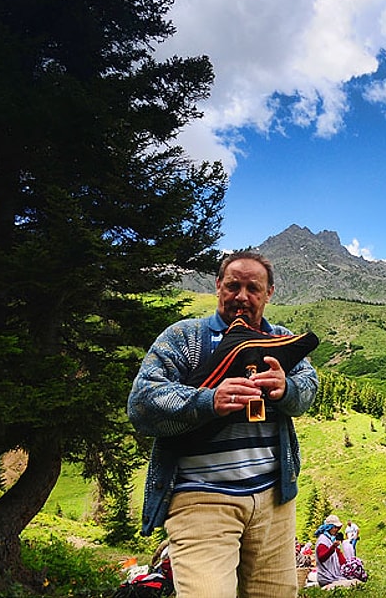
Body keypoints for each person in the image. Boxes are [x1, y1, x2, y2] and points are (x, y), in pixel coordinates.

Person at [128, 251, 319, 598]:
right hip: (201, 500)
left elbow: (308, 391)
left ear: (269, 293)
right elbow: (142, 402)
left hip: (275, 500)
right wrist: (208, 400)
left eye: (253, 288)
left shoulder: (282, 340)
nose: (242, 296)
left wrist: (285, 389)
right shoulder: (184, 337)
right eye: (233, 286)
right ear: (218, 286)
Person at [315, 515, 363, 589]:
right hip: (326, 576)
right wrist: (333, 548)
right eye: (335, 528)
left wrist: (348, 566)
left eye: (338, 528)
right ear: (329, 527)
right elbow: (321, 558)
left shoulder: (330, 539)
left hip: (332, 574)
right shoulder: (323, 540)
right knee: (355, 583)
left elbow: (338, 556)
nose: (337, 530)